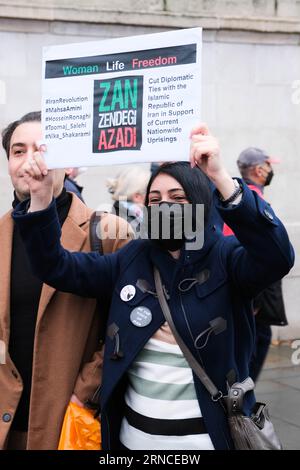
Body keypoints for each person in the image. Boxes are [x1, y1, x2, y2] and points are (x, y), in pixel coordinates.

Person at [12, 123, 294, 450]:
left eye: (178, 197)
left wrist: (220, 177)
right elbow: (57, 267)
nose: (165, 206)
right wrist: (41, 198)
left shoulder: (226, 258)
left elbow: (277, 257)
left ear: (200, 203)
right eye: (155, 198)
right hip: (133, 443)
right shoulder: (133, 257)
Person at [0, 111, 133, 450]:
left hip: (68, 422)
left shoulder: (109, 232)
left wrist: (86, 391)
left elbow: (129, 326)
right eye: (18, 151)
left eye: (42, 149)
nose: (30, 161)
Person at [235, 147, 288, 381]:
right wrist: (253, 301)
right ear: (259, 169)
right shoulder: (252, 201)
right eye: (268, 165)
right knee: (247, 374)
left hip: (252, 303)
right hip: (254, 307)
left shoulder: (243, 197)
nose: (270, 170)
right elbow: (246, 250)